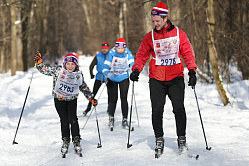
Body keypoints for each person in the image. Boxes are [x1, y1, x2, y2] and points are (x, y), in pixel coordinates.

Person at [130, 2, 197, 157]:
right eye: (153, 21)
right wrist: (136, 69)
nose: (155, 24)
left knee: (179, 109)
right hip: (157, 79)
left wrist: (192, 70)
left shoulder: (179, 34)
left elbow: (187, 52)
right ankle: (159, 139)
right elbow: (141, 55)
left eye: (157, 21)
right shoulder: (150, 36)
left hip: (176, 78)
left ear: (165, 17)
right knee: (157, 111)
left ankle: (181, 138)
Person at [33, 52, 98, 156]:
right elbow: (44, 70)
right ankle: (66, 140)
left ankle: (76, 141)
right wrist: (39, 62)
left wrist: (91, 98)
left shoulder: (78, 74)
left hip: (72, 100)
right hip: (59, 100)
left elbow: (83, 86)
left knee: (73, 120)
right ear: (65, 64)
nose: (70, 66)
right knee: (64, 120)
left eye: (73, 64)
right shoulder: (58, 70)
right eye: (68, 64)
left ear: (76, 65)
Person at [102, 38, 134, 131]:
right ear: (116, 47)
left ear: (124, 48)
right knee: (113, 99)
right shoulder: (111, 53)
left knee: (124, 99)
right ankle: (111, 118)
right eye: (118, 48)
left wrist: (133, 72)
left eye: (121, 48)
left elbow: (132, 63)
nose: (120, 50)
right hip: (112, 78)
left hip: (124, 77)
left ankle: (125, 120)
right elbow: (105, 67)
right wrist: (107, 73)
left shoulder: (128, 53)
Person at [83, 42, 111, 116]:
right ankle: (88, 108)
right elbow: (91, 65)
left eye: (106, 48)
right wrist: (91, 74)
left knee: (110, 94)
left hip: (109, 77)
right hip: (99, 77)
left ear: (108, 48)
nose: (104, 50)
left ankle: (110, 108)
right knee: (93, 93)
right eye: (103, 48)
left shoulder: (112, 55)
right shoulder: (98, 56)